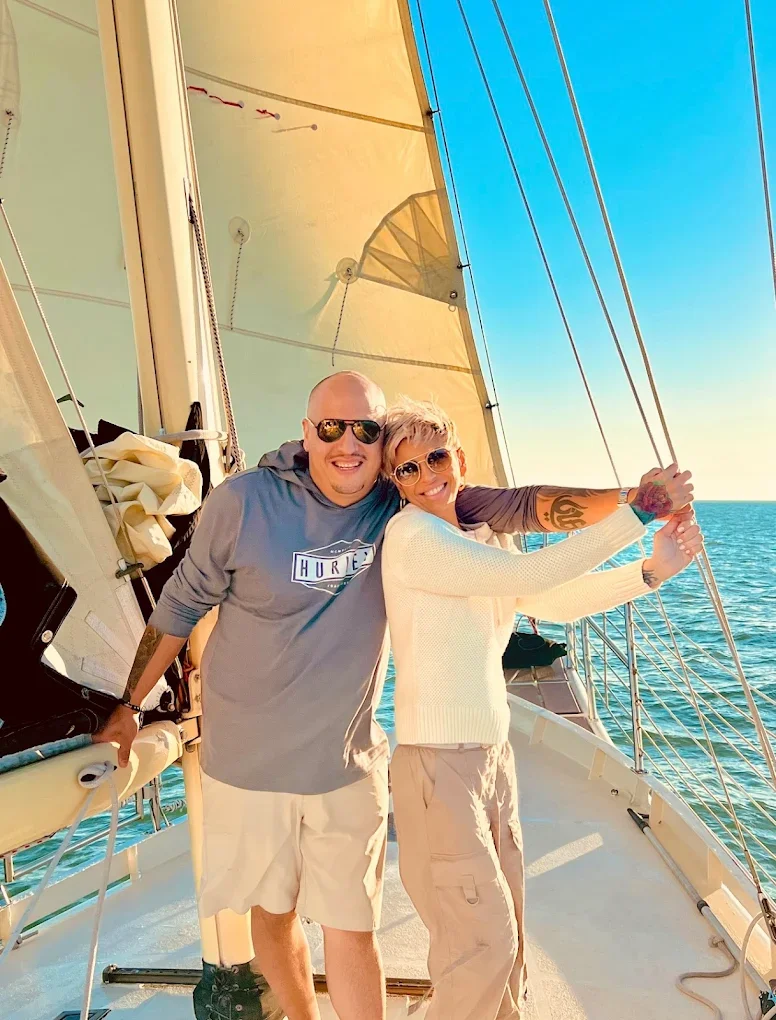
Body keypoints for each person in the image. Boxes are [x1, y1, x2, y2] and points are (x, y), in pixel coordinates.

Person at [93, 371, 694, 1020]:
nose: (351, 444)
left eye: (370, 432)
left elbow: (535, 555)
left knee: (452, 941)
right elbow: (181, 604)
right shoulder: (375, 529)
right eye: (333, 428)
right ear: (311, 434)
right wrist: (129, 707)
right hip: (299, 764)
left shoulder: (445, 524)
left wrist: (648, 567)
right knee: (361, 928)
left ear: (450, 458)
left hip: (394, 761)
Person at [381, 397, 703, 1020]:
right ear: (396, 482)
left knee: (510, 943)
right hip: (439, 767)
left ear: (459, 458)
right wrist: (636, 512)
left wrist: (649, 573)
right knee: (482, 946)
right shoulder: (411, 537)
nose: (427, 475)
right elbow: (531, 574)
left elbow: (550, 600)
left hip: (490, 758)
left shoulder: (476, 537)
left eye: (436, 457)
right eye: (407, 468)